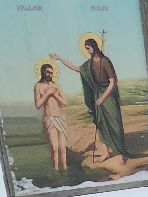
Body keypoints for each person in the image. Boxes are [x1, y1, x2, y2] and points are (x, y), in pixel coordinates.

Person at [50, 36, 126, 167]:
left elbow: (113, 82)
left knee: (114, 124)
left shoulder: (105, 61)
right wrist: (60, 59)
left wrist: (103, 98)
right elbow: (75, 68)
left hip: (108, 96)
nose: (88, 51)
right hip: (97, 96)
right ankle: (105, 152)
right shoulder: (89, 65)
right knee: (101, 124)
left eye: (89, 48)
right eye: (86, 49)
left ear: (94, 46)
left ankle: (120, 154)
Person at [32, 63, 69, 172]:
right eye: (47, 72)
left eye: (51, 73)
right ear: (42, 72)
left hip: (60, 118)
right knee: (54, 147)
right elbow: (38, 105)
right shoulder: (38, 86)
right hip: (49, 118)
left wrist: (55, 94)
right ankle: (56, 170)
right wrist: (48, 93)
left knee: (63, 148)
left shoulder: (56, 85)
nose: (49, 74)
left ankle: (65, 169)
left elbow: (65, 102)